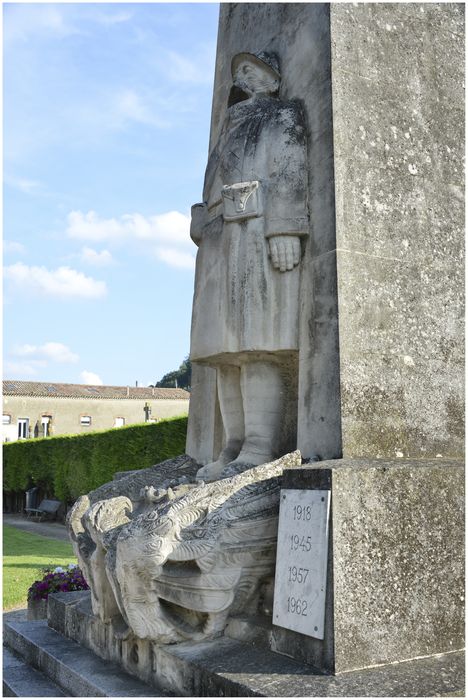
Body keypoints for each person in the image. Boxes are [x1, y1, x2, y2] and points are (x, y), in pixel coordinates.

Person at [190, 51, 309, 481]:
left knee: (257, 345)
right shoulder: (230, 125)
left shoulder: (282, 116)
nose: (242, 74)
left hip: (256, 232)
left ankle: (259, 445)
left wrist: (285, 229)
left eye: (252, 69)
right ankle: (233, 446)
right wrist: (200, 219)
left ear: (272, 80)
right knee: (224, 352)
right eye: (240, 70)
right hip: (221, 238)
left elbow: (291, 170)